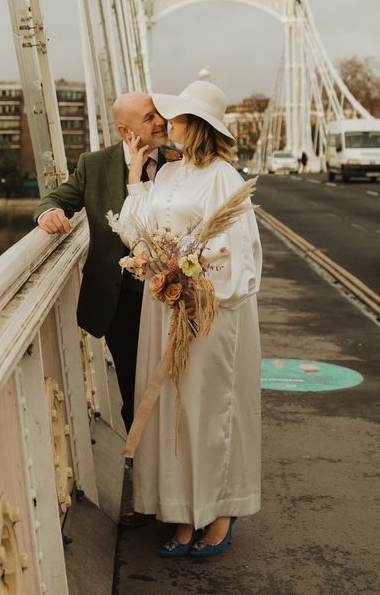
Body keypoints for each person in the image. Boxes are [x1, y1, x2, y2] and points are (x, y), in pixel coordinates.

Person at [117, 80, 262, 556]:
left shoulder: (224, 177)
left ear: (194, 124)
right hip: (164, 306)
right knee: (173, 411)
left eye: (175, 116)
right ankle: (182, 511)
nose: (166, 122)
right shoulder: (168, 175)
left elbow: (238, 251)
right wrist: (136, 176)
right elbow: (135, 231)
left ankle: (219, 509)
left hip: (207, 311)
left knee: (208, 408)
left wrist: (191, 280)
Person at [33, 92, 170, 441]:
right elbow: (58, 198)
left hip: (171, 295)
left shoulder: (179, 162)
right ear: (126, 131)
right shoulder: (94, 165)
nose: (161, 121)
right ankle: (141, 460)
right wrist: (49, 212)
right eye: (150, 117)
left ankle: (173, 462)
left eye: (159, 113)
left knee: (172, 383)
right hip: (119, 297)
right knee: (133, 384)